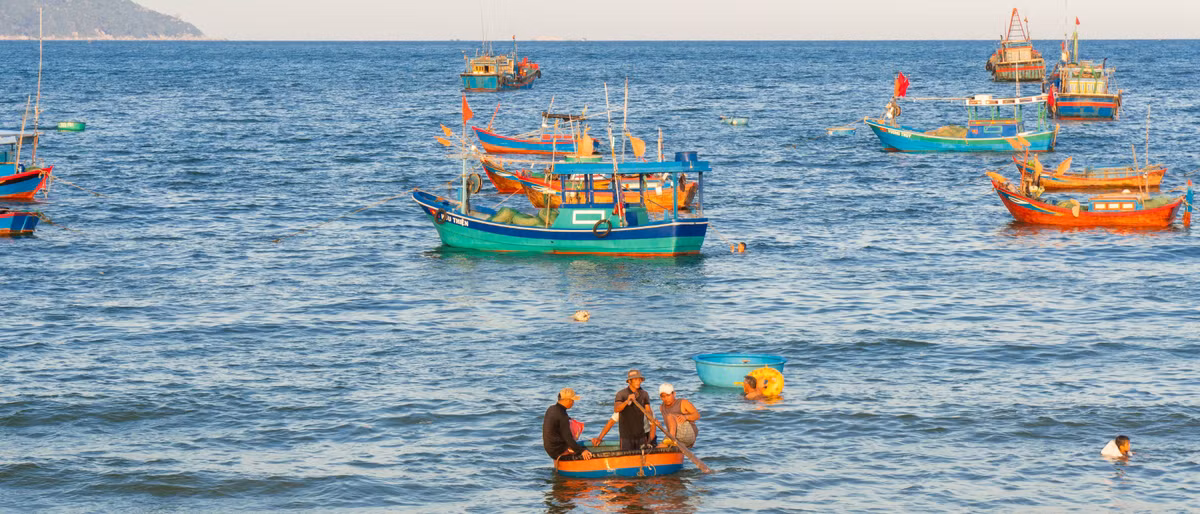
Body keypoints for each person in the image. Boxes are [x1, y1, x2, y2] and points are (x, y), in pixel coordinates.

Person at [542, 388, 592, 460]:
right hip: (558, 451)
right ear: (567, 400)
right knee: (586, 451)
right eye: (572, 400)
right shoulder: (562, 415)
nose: (573, 403)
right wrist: (581, 451)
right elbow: (567, 437)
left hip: (550, 448)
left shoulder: (551, 408)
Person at [613, 369, 656, 450]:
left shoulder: (644, 394)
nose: (638, 382)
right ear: (629, 381)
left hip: (641, 435)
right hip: (626, 436)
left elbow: (648, 412)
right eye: (635, 379)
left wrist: (653, 421)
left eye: (639, 379)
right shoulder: (621, 394)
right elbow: (616, 409)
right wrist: (627, 401)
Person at [658, 383, 700, 448]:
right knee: (660, 447)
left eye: (668, 395)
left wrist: (686, 417)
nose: (666, 398)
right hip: (676, 435)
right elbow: (669, 425)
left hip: (688, 434)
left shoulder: (683, 402)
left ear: (674, 394)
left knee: (670, 416)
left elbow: (697, 415)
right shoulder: (662, 407)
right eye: (663, 396)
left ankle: (671, 439)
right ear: (660, 397)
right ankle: (671, 441)